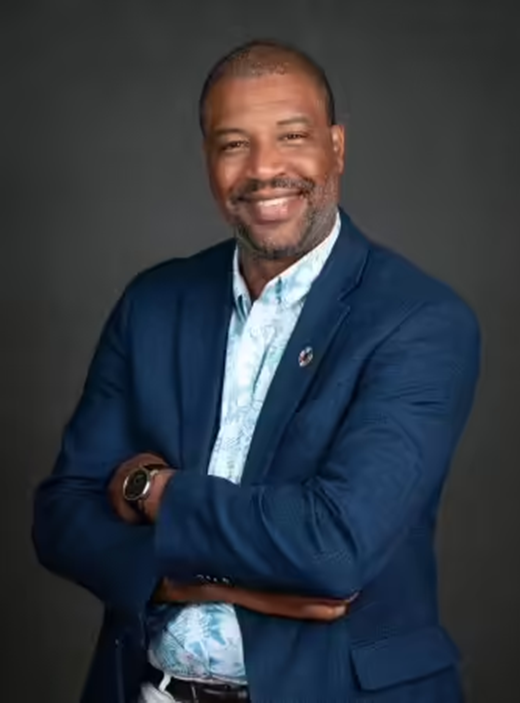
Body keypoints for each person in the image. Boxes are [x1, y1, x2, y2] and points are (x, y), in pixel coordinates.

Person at [32, 38, 481, 703]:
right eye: (234, 143)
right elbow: (63, 516)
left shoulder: (418, 320)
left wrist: (151, 489)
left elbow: (333, 548)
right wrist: (193, 583)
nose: (264, 168)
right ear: (208, 160)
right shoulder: (154, 302)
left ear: (336, 147)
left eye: (291, 136)